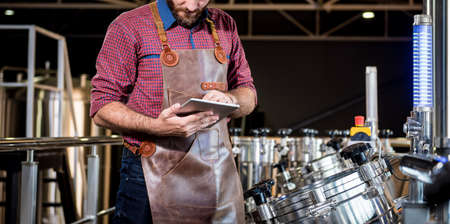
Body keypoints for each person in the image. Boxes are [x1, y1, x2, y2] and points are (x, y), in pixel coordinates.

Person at [89, 0, 257, 223]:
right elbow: (102, 105)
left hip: (215, 171)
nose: (191, 6)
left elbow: (249, 95)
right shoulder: (129, 26)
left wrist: (230, 98)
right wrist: (155, 127)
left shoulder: (225, 25)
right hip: (148, 173)